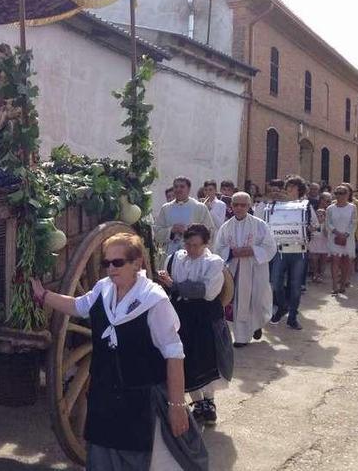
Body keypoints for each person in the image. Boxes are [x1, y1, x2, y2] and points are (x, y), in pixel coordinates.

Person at [30, 233, 207, 471]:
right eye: (107, 263)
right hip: (104, 398)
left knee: (144, 461)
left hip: (140, 402)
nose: (111, 268)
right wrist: (43, 295)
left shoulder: (153, 300)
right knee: (103, 459)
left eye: (118, 262)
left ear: (137, 263)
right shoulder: (103, 289)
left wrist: (177, 407)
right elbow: (77, 305)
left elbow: (174, 355)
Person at [158, 224, 231, 426]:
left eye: (196, 245)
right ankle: (198, 403)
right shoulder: (175, 259)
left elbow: (207, 291)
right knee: (186, 360)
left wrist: (175, 285)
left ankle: (209, 403)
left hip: (204, 317)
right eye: (188, 244)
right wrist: (171, 286)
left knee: (206, 359)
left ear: (205, 244)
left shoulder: (214, 263)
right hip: (182, 316)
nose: (191, 249)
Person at [214, 193, 277, 347]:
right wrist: (231, 252)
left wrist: (252, 250)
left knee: (258, 300)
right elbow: (218, 247)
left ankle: (257, 325)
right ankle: (241, 337)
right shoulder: (226, 226)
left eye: (243, 205)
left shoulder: (260, 225)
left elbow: (270, 246)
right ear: (231, 206)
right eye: (236, 204)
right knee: (239, 302)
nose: (239, 208)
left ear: (249, 206)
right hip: (235, 270)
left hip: (255, 268)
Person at [263, 176, 317, 330]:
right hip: (280, 250)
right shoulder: (276, 206)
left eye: (293, 187)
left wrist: (309, 229)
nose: (289, 190)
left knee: (295, 286)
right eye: (288, 187)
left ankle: (292, 317)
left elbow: (316, 226)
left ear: (299, 190)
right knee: (276, 283)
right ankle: (283, 306)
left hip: (299, 251)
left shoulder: (306, 206)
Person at [155, 176, 216, 261]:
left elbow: (210, 232)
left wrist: (188, 232)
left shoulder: (199, 207)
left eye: (182, 187)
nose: (178, 189)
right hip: (170, 254)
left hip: (194, 255)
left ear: (188, 189)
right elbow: (157, 233)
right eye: (176, 187)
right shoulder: (166, 208)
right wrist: (171, 231)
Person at [326, 186, 356, 296]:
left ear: (347, 194)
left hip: (348, 237)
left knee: (346, 262)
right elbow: (328, 222)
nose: (340, 195)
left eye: (343, 193)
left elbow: (353, 222)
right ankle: (334, 285)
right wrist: (336, 233)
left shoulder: (352, 207)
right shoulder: (330, 208)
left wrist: (346, 234)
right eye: (338, 193)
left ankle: (343, 284)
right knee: (335, 261)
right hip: (334, 237)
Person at [308, 206, 329, 283]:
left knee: (323, 261)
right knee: (314, 261)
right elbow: (309, 232)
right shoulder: (312, 223)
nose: (319, 217)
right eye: (317, 215)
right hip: (314, 243)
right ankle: (315, 274)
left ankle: (321, 275)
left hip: (324, 244)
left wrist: (325, 228)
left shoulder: (327, 224)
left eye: (321, 215)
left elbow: (327, 235)